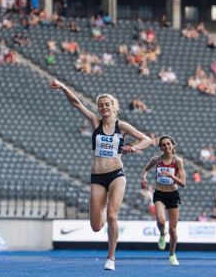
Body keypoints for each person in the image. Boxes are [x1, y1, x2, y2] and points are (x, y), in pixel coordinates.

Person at [50, 80, 152, 271]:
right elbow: (77, 104)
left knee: (113, 216)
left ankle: (111, 258)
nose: (104, 107)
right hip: (97, 177)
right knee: (96, 226)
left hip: (116, 174)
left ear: (114, 107)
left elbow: (147, 140)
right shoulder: (95, 122)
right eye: (101, 105)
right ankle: (103, 210)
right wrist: (64, 88)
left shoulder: (122, 126)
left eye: (107, 104)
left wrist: (133, 147)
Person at [141, 136, 186, 266]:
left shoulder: (178, 161)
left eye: (168, 144)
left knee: (173, 230)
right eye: (163, 145)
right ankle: (161, 234)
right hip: (159, 193)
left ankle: (172, 255)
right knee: (161, 221)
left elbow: (183, 183)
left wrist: (172, 176)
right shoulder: (156, 159)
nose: (166, 146)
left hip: (173, 195)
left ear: (173, 145)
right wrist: (144, 178)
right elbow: (145, 169)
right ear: (160, 147)